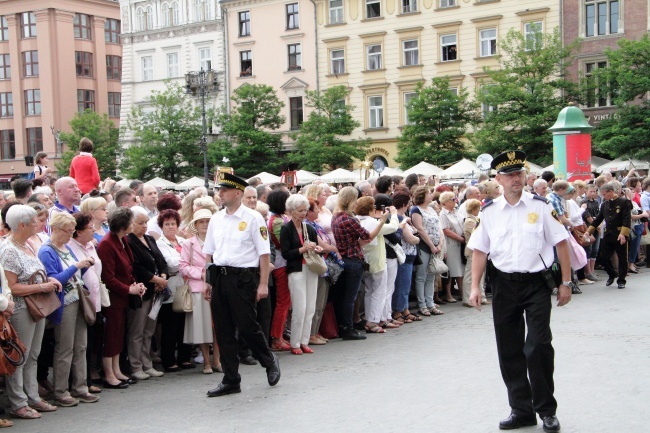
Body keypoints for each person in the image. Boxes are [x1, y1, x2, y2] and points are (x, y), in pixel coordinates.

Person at [468, 150, 572, 433]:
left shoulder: (540, 206)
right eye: (510, 174)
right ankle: (521, 410)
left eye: (520, 173)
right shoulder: (489, 211)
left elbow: (561, 243)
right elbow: (480, 250)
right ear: (498, 179)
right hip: (503, 284)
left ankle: (547, 410)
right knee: (509, 349)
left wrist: (566, 281)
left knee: (538, 345)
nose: (516, 179)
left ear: (526, 176)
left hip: (536, 284)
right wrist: (475, 286)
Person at [203, 172, 280, 397]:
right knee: (223, 330)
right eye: (219, 190)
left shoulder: (254, 218)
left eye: (224, 190)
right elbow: (209, 253)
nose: (220, 194)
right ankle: (231, 379)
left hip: (243, 278)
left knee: (247, 326)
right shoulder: (216, 219)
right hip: (220, 277)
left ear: (237, 193)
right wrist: (208, 282)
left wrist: (263, 284)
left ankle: (268, 360)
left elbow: (264, 254)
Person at [1, 205, 62, 418]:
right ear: (22, 225)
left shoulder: (26, 244)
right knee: (20, 356)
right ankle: (19, 402)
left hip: (36, 306)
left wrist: (49, 280)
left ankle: (33, 396)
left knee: (33, 355)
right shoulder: (8, 250)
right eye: (34, 221)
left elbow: (35, 273)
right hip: (21, 308)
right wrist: (40, 287)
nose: (38, 224)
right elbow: (12, 287)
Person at [39, 212, 98, 406]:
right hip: (64, 302)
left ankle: (80, 387)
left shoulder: (65, 247)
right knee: (64, 347)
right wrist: (76, 266)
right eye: (67, 231)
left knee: (81, 346)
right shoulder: (47, 251)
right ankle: (61, 390)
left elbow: (75, 273)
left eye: (73, 231)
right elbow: (55, 280)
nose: (70, 234)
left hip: (77, 298)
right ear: (54, 229)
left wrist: (84, 266)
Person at [96, 208, 146, 389]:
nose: (134, 225)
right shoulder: (106, 244)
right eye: (132, 222)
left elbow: (129, 267)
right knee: (111, 335)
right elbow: (108, 277)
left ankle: (116, 370)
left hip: (123, 296)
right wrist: (128, 289)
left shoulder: (123, 240)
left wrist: (136, 285)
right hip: (112, 298)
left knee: (118, 334)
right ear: (124, 225)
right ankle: (109, 373)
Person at [331, 187, 388, 340]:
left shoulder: (336, 217)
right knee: (350, 297)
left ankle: (344, 327)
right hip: (353, 260)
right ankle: (347, 329)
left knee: (345, 297)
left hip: (343, 258)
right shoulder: (348, 219)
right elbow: (367, 236)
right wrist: (381, 222)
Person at [280, 194, 325, 354]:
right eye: (300, 210)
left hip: (311, 268)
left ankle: (304, 341)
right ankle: (295, 343)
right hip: (296, 269)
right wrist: (303, 249)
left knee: (310, 307)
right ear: (291, 211)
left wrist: (317, 249)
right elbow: (286, 253)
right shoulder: (286, 228)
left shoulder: (310, 228)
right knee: (300, 307)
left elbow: (317, 248)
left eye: (305, 210)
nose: (303, 213)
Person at [126, 207, 167, 380]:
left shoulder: (150, 239)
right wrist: (155, 280)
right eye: (140, 223)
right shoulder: (129, 241)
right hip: (143, 291)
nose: (144, 226)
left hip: (156, 290)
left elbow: (161, 260)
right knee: (137, 330)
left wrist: (163, 276)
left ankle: (147, 363)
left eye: (145, 223)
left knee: (149, 330)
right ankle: (136, 366)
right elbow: (136, 267)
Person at [180, 208, 221, 374]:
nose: (205, 224)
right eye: (201, 221)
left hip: (217, 287)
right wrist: (202, 273)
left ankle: (217, 360)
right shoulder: (188, 244)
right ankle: (206, 362)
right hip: (197, 290)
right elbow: (183, 267)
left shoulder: (218, 241)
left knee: (218, 326)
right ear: (195, 225)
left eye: (207, 221)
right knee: (202, 328)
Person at [156, 209, 193, 372]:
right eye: (167, 224)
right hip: (171, 288)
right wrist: (186, 263)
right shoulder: (160, 243)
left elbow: (193, 259)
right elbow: (170, 263)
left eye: (173, 224)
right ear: (161, 226)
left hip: (185, 286)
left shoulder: (182, 241)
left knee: (184, 323)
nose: (171, 227)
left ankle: (184, 357)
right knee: (170, 326)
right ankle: (169, 359)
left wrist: (184, 263)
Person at [355, 196, 399, 333]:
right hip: (377, 260)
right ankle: (373, 320)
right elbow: (393, 227)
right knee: (379, 291)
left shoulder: (356, 220)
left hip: (364, 259)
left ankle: (370, 318)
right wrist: (394, 215)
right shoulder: (372, 222)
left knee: (369, 290)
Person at [304, 198, 339, 345]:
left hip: (323, 265)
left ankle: (315, 331)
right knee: (316, 302)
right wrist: (334, 249)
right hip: (317, 265)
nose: (319, 211)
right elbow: (322, 245)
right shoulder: (308, 225)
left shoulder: (314, 224)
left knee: (321, 302)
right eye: (316, 209)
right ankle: (311, 333)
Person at [585, 182, 632, 289]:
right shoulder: (604, 204)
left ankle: (621, 280)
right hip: (608, 234)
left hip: (619, 233)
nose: (604, 197)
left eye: (605, 194)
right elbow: (598, 219)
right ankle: (612, 274)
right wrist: (589, 231)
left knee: (622, 258)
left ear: (611, 192)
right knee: (603, 257)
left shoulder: (624, 202)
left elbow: (626, 219)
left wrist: (623, 234)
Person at [410, 186, 443, 316]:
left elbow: (438, 227)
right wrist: (431, 245)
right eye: (428, 193)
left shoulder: (431, 209)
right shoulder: (416, 210)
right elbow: (420, 229)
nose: (431, 195)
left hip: (435, 245)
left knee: (431, 276)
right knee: (421, 276)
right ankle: (422, 304)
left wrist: (439, 243)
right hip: (424, 246)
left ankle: (430, 303)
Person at [267, 189, 292, 351]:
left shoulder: (280, 218)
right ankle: (277, 336)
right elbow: (283, 243)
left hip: (283, 262)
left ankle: (279, 334)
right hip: (281, 263)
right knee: (283, 301)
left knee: (285, 301)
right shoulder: (276, 221)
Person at [391, 192, 421, 323]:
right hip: (405, 255)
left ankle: (405, 309)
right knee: (402, 285)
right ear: (404, 204)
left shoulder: (402, 216)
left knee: (405, 284)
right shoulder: (398, 217)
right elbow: (410, 238)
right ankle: (398, 311)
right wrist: (418, 239)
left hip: (408, 255)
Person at [439, 191, 465, 303]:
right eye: (453, 199)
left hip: (460, 244)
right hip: (451, 244)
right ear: (446, 202)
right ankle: (449, 294)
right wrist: (461, 239)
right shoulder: (443, 214)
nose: (456, 201)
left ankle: (462, 293)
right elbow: (446, 230)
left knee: (460, 270)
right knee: (451, 269)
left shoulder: (456, 212)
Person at [462, 199, 487, 307]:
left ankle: (481, 296)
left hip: (479, 250)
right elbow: (476, 233)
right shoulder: (469, 221)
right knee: (469, 275)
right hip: (472, 251)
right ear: (473, 209)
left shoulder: (476, 219)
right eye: (478, 208)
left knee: (480, 274)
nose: (479, 210)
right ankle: (467, 298)